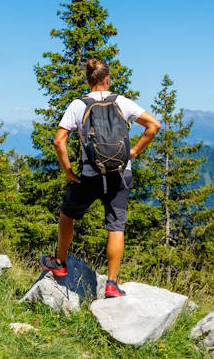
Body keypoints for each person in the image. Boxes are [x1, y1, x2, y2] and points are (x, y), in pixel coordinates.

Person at [40, 59, 161, 298]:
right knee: (116, 227)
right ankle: (112, 284)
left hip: (90, 174)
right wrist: (134, 152)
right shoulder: (121, 102)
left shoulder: (78, 105)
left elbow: (58, 140)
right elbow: (154, 125)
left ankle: (60, 262)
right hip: (120, 174)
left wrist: (68, 171)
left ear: (88, 81)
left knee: (67, 214)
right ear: (108, 79)